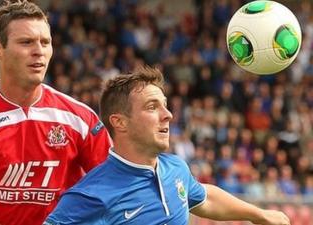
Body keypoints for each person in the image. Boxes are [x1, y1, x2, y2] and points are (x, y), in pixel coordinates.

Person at [0, 1, 111, 225]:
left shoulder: (81, 118)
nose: (39, 51)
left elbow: (114, 188)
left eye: (45, 42)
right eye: (26, 42)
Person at [44, 66, 290, 225]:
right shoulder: (90, 196)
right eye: (152, 107)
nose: (168, 114)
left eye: (165, 105)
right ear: (120, 122)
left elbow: (205, 199)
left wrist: (258, 214)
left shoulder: (175, 168)